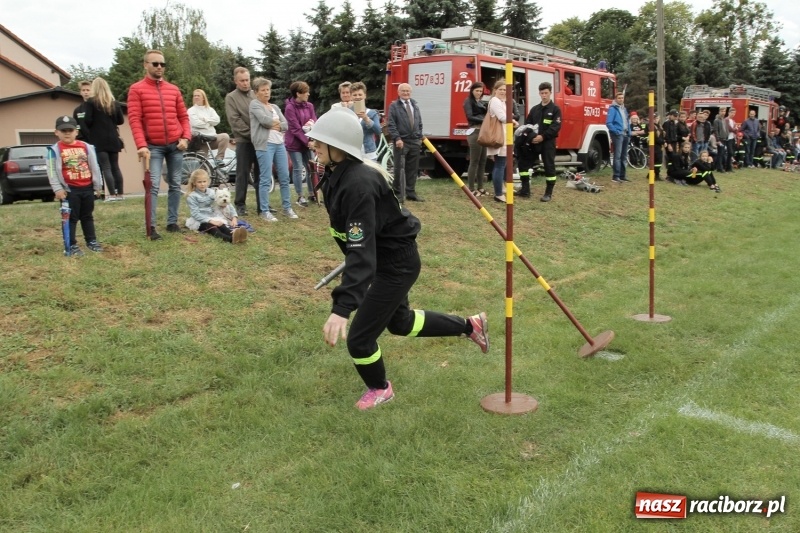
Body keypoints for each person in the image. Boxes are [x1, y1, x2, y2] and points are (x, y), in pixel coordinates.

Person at [307, 107, 489, 410]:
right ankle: (471, 326)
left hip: (395, 265)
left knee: (359, 339)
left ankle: (380, 389)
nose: (313, 145)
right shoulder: (337, 174)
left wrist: (342, 307)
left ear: (337, 146)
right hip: (384, 260)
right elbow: (360, 242)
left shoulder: (359, 183)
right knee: (401, 323)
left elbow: (361, 252)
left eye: (319, 141)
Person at [127, 49, 192, 239]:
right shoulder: (136, 89)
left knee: (175, 184)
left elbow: (184, 117)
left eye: (162, 64)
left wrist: (186, 138)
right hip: (152, 146)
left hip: (175, 145)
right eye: (155, 64)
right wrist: (141, 145)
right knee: (153, 185)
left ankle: (172, 222)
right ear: (145, 65)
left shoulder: (173, 89)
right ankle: (152, 227)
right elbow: (135, 119)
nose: (159, 67)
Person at [46, 115, 104, 256]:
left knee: (87, 216)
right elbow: (52, 171)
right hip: (69, 190)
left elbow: (94, 166)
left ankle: (91, 241)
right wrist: (58, 188)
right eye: (63, 130)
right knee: (70, 218)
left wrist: (97, 186)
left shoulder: (86, 147)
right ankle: (71, 244)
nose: (67, 133)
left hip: (87, 187)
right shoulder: (54, 150)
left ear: (76, 131)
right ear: (56, 132)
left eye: (70, 130)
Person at [249, 77, 298, 222]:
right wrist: (274, 124)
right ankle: (264, 211)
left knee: (284, 177)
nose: (266, 92)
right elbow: (264, 121)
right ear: (256, 92)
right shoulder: (254, 104)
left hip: (279, 144)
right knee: (265, 178)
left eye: (268, 89)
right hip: (265, 145)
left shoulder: (275, 107)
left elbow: (286, 125)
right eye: (263, 90)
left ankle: (287, 207)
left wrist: (274, 124)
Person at [516, 81, 562, 201]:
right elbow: (528, 125)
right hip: (533, 142)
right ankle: (525, 190)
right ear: (539, 94)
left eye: (546, 93)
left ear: (550, 93)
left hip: (548, 142)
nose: (544, 95)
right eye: (542, 93)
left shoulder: (556, 109)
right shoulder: (535, 109)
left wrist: (543, 136)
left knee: (549, 166)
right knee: (523, 163)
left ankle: (548, 193)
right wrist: (531, 137)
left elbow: (555, 127)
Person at [225, 67, 261, 216]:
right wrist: (253, 134)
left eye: (247, 80)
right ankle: (240, 204)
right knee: (242, 174)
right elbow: (235, 121)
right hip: (244, 140)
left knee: (262, 173)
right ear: (236, 81)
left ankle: (262, 204)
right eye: (242, 81)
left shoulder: (255, 94)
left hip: (260, 141)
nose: (246, 83)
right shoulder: (231, 97)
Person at [84, 77, 125, 202]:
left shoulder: (91, 103)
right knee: (115, 167)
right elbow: (120, 120)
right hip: (113, 138)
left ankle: (112, 194)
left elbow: (88, 120)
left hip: (98, 139)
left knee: (106, 167)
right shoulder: (114, 103)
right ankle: (120, 194)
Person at [185, 168, 248, 243]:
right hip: (200, 220)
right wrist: (211, 221)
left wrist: (234, 217)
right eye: (199, 182)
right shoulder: (192, 196)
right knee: (213, 228)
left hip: (212, 216)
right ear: (194, 183)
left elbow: (228, 204)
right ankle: (230, 239)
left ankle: (235, 234)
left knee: (222, 225)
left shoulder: (212, 192)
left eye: (204, 181)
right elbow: (195, 214)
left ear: (208, 182)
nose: (202, 184)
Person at [387, 83, 424, 202]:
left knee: (413, 169)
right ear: (398, 92)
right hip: (401, 141)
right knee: (399, 168)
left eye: (408, 91)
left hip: (414, 141)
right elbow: (391, 124)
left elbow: (419, 122)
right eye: (403, 91)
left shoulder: (415, 105)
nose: (406, 93)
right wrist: (397, 138)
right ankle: (398, 193)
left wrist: (419, 137)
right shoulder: (394, 106)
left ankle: (411, 193)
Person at [284, 80, 318, 207]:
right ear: (298, 94)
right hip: (295, 144)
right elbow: (295, 129)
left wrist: (312, 127)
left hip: (308, 141)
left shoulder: (309, 106)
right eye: (306, 92)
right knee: (298, 168)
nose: (308, 94)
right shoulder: (289, 108)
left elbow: (314, 118)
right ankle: (300, 196)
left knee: (311, 168)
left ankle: (312, 193)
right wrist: (307, 142)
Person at [485, 81, 514, 203]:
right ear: (495, 90)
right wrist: (514, 121)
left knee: (503, 164)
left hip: (504, 136)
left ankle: (501, 187)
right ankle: (498, 193)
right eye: (501, 89)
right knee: (500, 164)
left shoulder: (501, 102)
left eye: (505, 90)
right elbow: (502, 117)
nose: (503, 92)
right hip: (500, 137)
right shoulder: (495, 101)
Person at [188, 89, 230, 163]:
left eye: (198, 96)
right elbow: (196, 123)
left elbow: (217, 120)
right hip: (200, 140)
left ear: (203, 97)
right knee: (204, 163)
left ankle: (219, 158)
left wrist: (205, 120)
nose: (196, 97)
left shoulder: (210, 109)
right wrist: (210, 123)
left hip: (212, 138)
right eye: (195, 96)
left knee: (225, 136)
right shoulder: (191, 110)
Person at [462, 81, 488, 196]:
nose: (479, 93)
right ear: (472, 91)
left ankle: (481, 187)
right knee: (474, 161)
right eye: (477, 90)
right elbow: (469, 116)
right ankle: (471, 188)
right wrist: (484, 120)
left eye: (480, 91)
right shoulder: (468, 101)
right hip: (475, 131)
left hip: (483, 131)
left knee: (483, 161)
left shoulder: (481, 102)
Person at [349, 82, 382, 161]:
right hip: (352, 152)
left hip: (369, 153)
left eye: (360, 94)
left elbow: (378, 131)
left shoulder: (372, 113)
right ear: (351, 96)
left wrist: (366, 119)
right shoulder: (347, 112)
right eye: (355, 95)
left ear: (365, 95)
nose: (357, 97)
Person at [606, 91, 631, 183]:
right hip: (618, 134)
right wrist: (616, 131)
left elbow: (627, 121)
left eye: (622, 98)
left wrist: (629, 132)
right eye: (619, 98)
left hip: (625, 134)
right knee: (618, 155)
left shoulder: (624, 109)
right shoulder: (613, 109)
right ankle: (616, 176)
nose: (621, 99)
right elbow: (609, 122)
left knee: (624, 156)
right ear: (616, 99)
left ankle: (622, 175)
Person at [712, 107, 730, 172]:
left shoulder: (724, 120)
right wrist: (718, 139)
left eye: (724, 111)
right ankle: (719, 168)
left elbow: (726, 129)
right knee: (720, 153)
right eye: (722, 111)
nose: (723, 112)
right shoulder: (716, 120)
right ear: (719, 112)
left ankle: (720, 166)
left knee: (722, 153)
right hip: (720, 139)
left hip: (725, 138)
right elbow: (716, 130)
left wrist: (727, 135)